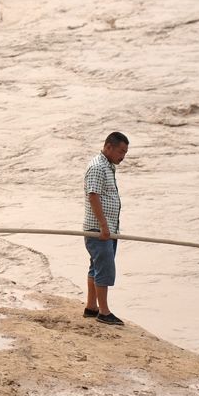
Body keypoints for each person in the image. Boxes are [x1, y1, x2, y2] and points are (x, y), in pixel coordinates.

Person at [83, 131, 129, 326]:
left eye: (125, 153)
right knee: (105, 269)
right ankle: (104, 312)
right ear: (108, 147)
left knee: (96, 267)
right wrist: (103, 226)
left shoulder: (108, 166)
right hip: (99, 230)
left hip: (107, 229)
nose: (123, 156)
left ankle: (91, 307)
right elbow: (93, 195)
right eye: (121, 151)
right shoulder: (97, 167)